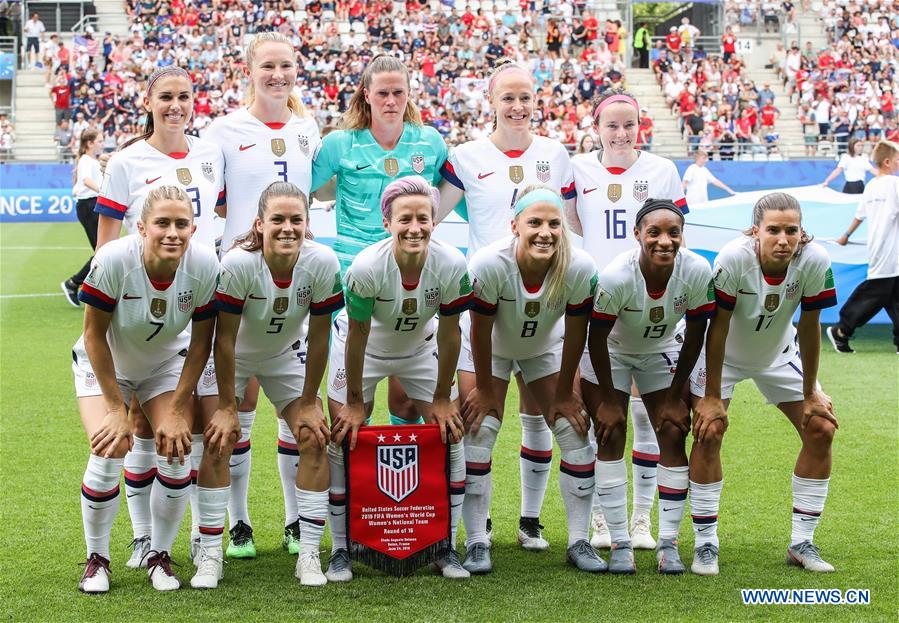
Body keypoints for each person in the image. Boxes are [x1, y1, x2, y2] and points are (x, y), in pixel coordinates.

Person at [438, 61, 576, 552]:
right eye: (508, 98)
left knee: (541, 418)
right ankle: (478, 531)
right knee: (479, 421)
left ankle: (530, 520)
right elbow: (431, 214)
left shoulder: (555, 154)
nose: (517, 106)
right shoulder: (466, 156)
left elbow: (570, 224)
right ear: (491, 102)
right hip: (488, 309)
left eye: (525, 97)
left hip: (543, 307)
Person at [93, 65, 225, 569]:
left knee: (191, 424)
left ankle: (196, 537)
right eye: (165, 96)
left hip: (195, 296)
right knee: (138, 427)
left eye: (184, 96)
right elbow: (107, 244)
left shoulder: (211, 154)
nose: (175, 105)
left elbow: (218, 220)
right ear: (148, 102)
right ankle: (142, 537)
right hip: (141, 304)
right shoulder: (126, 161)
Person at [203, 30, 322, 561]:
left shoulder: (307, 129)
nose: (278, 75)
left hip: (293, 282)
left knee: (292, 410)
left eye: (286, 66)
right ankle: (240, 524)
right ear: (249, 71)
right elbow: (213, 200)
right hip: (240, 281)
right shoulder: (223, 130)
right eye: (267, 66)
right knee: (240, 405)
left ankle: (296, 521)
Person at [311, 54, 448, 493]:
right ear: (366, 95)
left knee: (407, 402)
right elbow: (306, 189)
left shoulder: (429, 142)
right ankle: (352, 505)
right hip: (354, 276)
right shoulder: (340, 144)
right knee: (350, 414)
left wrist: (429, 228)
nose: (391, 100)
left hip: (411, 277)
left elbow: (455, 189)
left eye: (398, 92)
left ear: (409, 95)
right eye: (382, 92)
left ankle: (401, 501)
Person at [73, 186, 220, 592]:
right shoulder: (113, 259)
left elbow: (201, 343)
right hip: (106, 365)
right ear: (141, 228)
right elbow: (93, 336)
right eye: (162, 223)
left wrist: (176, 408)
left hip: (164, 366)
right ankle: (97, 560)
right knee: (110, 447)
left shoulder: (204, 264)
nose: (172, 233)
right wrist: (115, 408)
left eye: (181, 224)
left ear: (193, 229)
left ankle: (160, 555)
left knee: (175, 450)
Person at [326, 176, 472, 581]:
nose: (415, 228)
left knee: (450, 432)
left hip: (420, 350)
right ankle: (340, 549)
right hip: (364, 350)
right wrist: (355, 402)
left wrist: (441, 397)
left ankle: (444, 546)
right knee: (343, 436)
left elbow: (450, 332)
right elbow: (357, 334)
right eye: (405, 219)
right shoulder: (366, 266)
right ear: (387, 222)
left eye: (423, 218)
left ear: (434, 221)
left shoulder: (451, 264)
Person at [690, 192, 839, 576]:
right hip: (723, 357)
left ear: (802, 231)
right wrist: (711, 396)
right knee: (709, 431)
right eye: (773, 230)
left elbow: (810, 326)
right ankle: (705, 543)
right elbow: (717, 327)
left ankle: (802, 541)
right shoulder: (733, 258)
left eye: (792, 230)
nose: (783, 240)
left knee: (821, 427)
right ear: (755, 231)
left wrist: (810, 392)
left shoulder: (815, 260)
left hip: (779, 354)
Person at [568, 89, 689, 551]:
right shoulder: (578, 168)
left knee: (646, 414)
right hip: (598, 304)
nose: (621, 133)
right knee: (605, 415)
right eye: (612, 125)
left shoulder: (662, 170)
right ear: (595, 128)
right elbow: (574, 223)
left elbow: (675, 230)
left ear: (641, 126)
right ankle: (603, 518)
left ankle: (641, 520)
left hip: (649, 302)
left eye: (629, 125)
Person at [459, 185, 600, 574]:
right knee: (479, 430)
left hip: (543, 348)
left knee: (574, 431)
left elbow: (576, 333)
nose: (545, 232)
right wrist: (485, 389)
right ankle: (476, 541)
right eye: (535, 222)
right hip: (488, 348)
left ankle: (579, 540)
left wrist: (566, 392)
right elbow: (480, 330)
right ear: (515, 226)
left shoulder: (579, 266)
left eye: (554, 224)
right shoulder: (489, 263)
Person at [213, 182, 343, 585]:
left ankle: (308, 555)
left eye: (296, 220)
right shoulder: (238, 263)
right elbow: (223, 339)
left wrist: (309, 399)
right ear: (260, 224)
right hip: (236, 356)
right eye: (278, 219)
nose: (288, 228)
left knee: (314, 436)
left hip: (287, 355)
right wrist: (226, 406)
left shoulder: (322, 262)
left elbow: (319, 337)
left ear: (307, 223)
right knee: (218, 436)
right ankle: (212, 550)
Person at [587, 199, 714, 574]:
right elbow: (596, 338)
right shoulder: (616, 276)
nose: (665, 241)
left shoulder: (696, 270)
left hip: (661, 349)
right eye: (654, 232)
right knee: (611, 431)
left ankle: (668, 544)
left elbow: (696, 334)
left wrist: (676, 396)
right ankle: (620, 543)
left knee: (673, 429)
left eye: (673, 233)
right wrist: (609, 400)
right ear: (637, 234)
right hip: (612, 351)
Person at [829, 140, 899, 353]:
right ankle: (842, 329)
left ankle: (843, 331)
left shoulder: (871, 186)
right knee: (876, 292)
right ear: (887, 162)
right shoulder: (894, 184)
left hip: (880, 247)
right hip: (891, 250)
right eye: (897, 159)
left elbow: (859, 216)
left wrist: (846, 235)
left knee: (893, 295)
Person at [61, 129, 103, 307]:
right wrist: (105, 191)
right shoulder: (86, 160)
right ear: (90, 143)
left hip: (92, 204)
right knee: (103, 252)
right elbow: (86, 181)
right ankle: (73, 283)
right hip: (89, 205)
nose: (102, 143)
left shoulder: (91, 161)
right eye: (99, 140)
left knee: (104, 251)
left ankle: (79, 284)